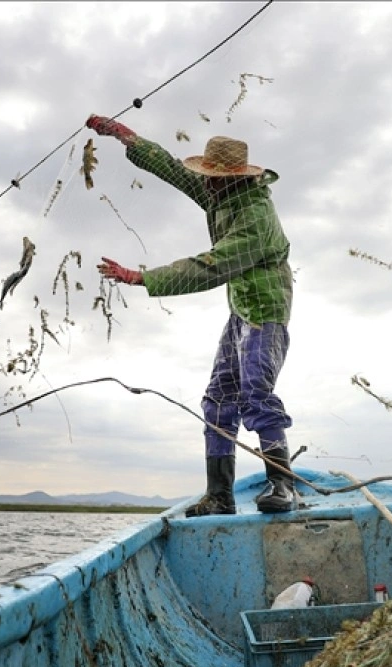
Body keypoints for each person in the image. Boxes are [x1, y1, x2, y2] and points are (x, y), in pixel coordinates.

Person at [85, 114, 296, 515]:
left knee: (255, 391)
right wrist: (126, 137)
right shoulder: (221, 194)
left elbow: (210, 266)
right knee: (218, 398)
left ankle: (283, 485)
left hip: (266, 310)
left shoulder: (255, 218)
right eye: (207, 177)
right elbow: (171, 170)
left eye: (214, 178)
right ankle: (219, 497)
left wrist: (140, 278)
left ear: (236, 178)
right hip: (240, 310)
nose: (207, 184)